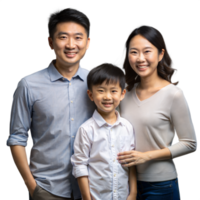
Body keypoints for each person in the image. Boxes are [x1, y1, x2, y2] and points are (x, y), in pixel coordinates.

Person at [5, 6, 96, 200]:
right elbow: (17, 139)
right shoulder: (28, 85)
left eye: (78, 37)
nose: (71, 45)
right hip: (47, 189)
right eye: (63, 37)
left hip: (91, 188)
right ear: (50, 42)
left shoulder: (98, 85)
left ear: (88, 43)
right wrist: (33, 188)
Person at [111, 23, 198, 200]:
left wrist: (146, 156)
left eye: (147, 51)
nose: (140, 58)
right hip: (126, 183)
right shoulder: (123, 93)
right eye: (134, 52)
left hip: (161, 185)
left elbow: (190, 143)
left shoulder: (173, 94)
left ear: (160, 54)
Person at [71, 62, 137, 200]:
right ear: (90, 94)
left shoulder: (127, 127)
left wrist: (133, 193)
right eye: (101, 91)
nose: (107, 97)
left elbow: (131, 162)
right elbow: (80, 165)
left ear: (122, 94)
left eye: (113, 91)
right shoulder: (86, 130)